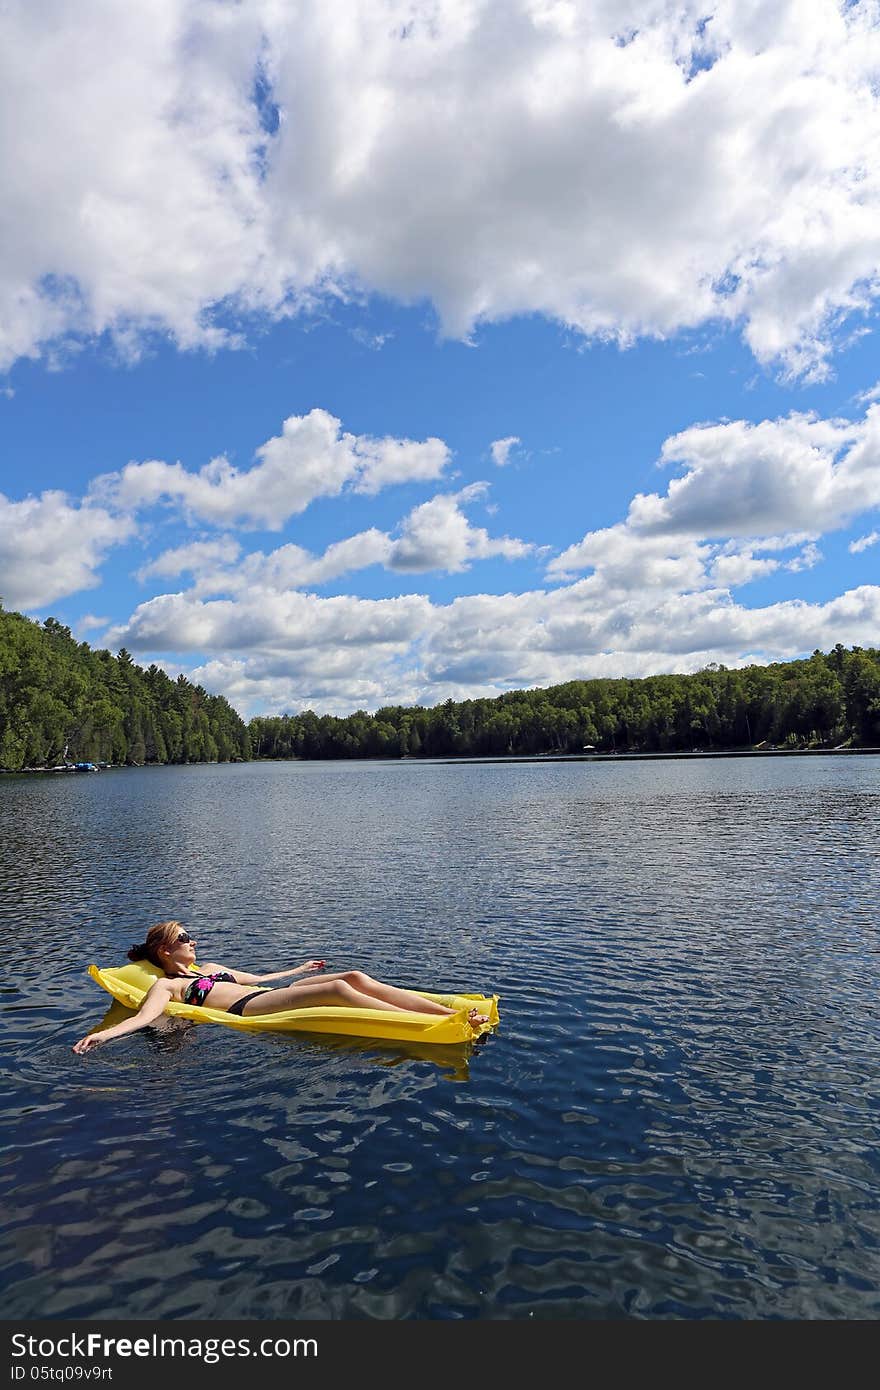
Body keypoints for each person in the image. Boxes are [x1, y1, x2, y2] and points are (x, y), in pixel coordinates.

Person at [72, 920, 489, 1053]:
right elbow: (144, 1018)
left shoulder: (210, 967)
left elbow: (260, 979)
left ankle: (441, 1011)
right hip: (251, 1011)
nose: (193, 940)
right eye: (185, 937)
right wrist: (101, 1035)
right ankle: (449, 1019)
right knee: (340, 992)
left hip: (263, 995)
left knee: (354, 977)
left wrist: (300, 968)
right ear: (164, 950)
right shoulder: (165, 987)